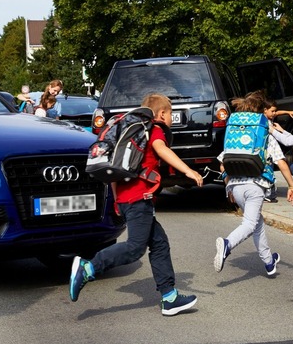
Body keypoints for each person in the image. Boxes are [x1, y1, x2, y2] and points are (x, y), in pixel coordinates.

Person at [69, 93, 203, 316]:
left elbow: (113, 169)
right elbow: (162, 150)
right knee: (134, 248)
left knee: (159, 243)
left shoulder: (132, 131)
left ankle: (169, 297)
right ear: (161, 114)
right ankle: (89, 267)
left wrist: (117, 201)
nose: (170, 119)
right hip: (140, 199)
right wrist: (188, 171)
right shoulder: (154, 129)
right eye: (170, 114)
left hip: (126, 197)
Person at [213, 91, 293, 277]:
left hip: (235, 185)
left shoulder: (234, 131)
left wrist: (228, 186)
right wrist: (292, 186)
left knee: (257, 222)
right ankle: (227, 244)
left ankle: (269, 262)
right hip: (255, 185)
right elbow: (281, 162)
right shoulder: (264, 135)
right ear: (260, 113)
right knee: (250, 223)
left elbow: (222, 163)